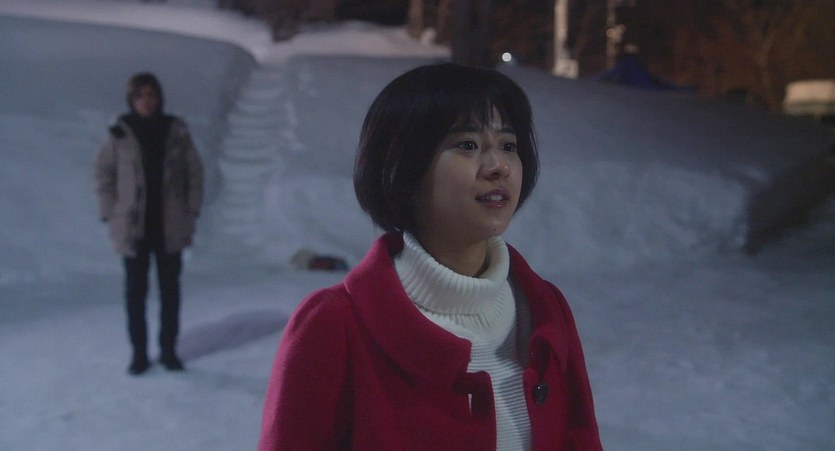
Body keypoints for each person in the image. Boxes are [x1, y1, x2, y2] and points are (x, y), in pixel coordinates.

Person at [258, 63, 602, 450]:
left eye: (508, 146)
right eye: (468, 145)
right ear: (405, 167)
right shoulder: (335, 325)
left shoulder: (545, 309)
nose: (499, 166)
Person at [94, 72, 204, 375]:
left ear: (159, 98)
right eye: (140, 96)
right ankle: (139, 354)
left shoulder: (175, 130)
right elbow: (103, 174)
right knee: (135, 294)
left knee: (170, 293)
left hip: (170, 227)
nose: (146, 101)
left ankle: (169, 350)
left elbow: (194, 172)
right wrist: (110, 212)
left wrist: (191, 209)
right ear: (131, 100)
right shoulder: (120, 133)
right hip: (133, 229)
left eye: (151, 95)